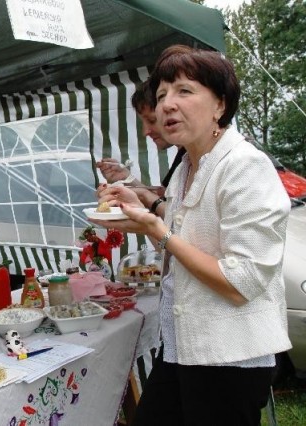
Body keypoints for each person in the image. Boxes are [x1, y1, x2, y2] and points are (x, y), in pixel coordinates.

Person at [91, 45, 291, 425]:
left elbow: (241, 283)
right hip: (183, 346)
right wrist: (140, 215)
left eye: (184, 91)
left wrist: (159, 229)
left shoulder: (245, 166)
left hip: (229, 358)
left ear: (220, 105)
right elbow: (181, 247)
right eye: (162, 94)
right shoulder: (186, 168)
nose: (167, 104)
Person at [96, 81, 186, 218]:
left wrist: (145, 196)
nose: (145, 131)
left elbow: (180, 220)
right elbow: (170, 205)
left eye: (152, 120)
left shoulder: (200, 159)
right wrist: (127, 178)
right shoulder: (184, 157)